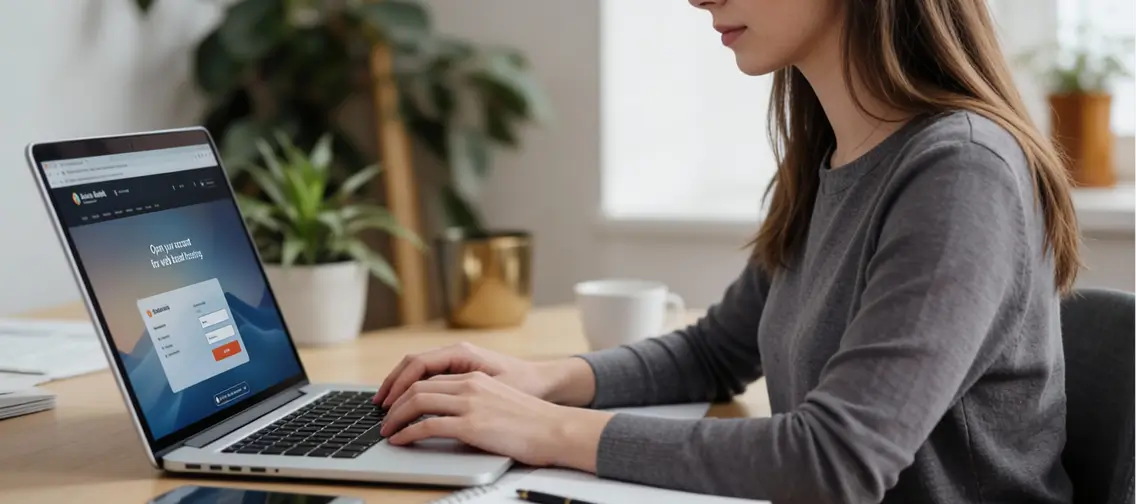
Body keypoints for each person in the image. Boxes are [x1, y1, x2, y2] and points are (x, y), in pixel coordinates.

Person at [371, 0, 1081, 502]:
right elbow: (714, 353)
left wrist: (545, 430)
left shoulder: (960, 171)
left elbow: (834, 461)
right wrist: (540, 381)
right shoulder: (827, 157)